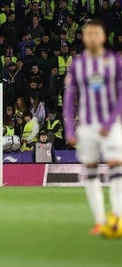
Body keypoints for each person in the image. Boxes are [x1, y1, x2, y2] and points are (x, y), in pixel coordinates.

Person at [64, 19, 122, 237]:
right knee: (90, 171)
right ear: (83, 37)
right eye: (88, 33)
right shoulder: (78, 64)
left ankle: (117, 216)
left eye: (96, 33)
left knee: (117, 170)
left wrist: (109, 122)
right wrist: (70, 128)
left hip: (111, 125)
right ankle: (99, 220)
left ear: (104, 37)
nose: (92, 37)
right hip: (87, 126)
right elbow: (69, 97)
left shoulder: (115, 61)